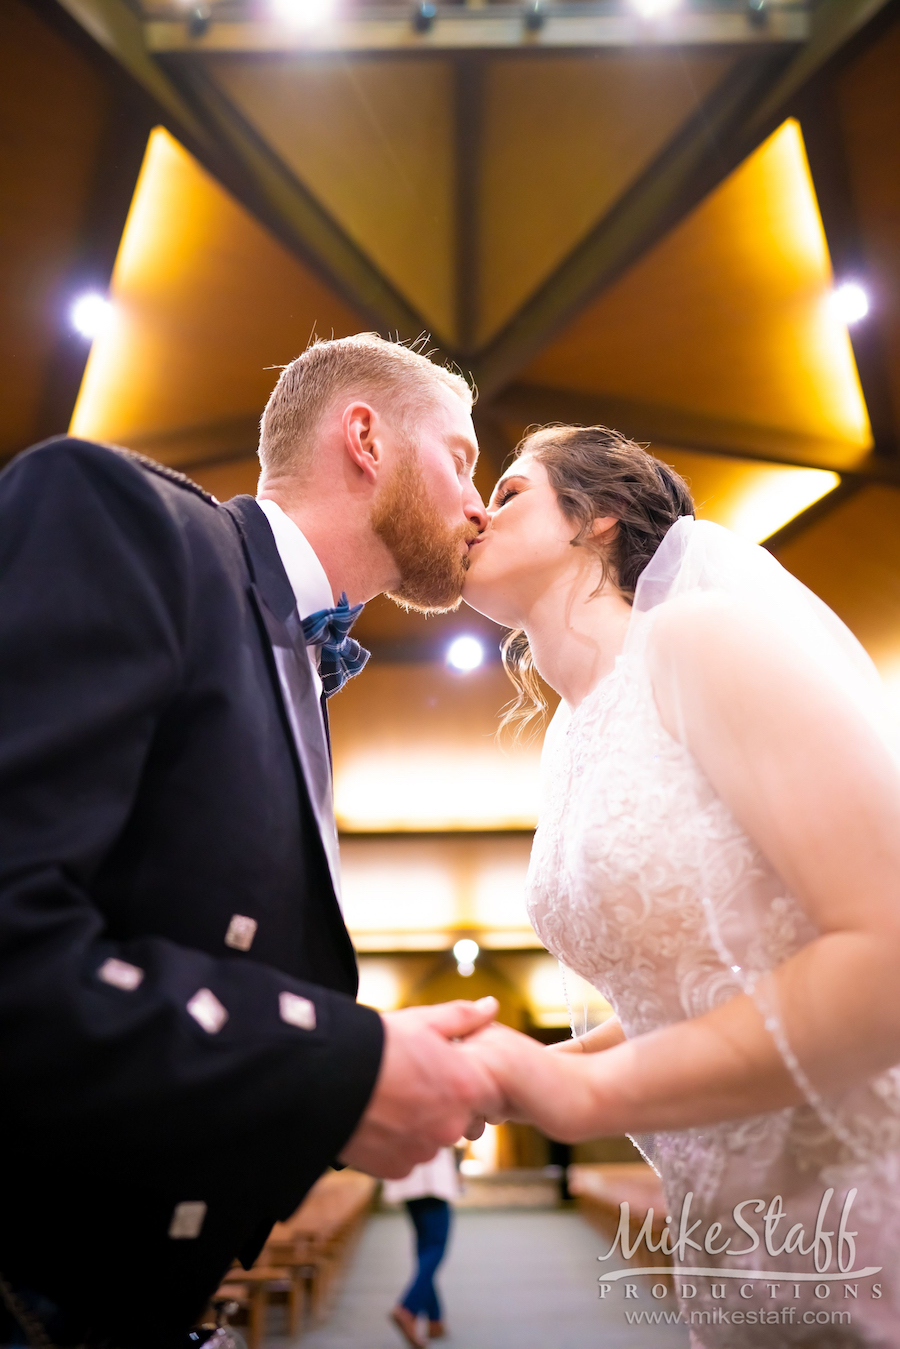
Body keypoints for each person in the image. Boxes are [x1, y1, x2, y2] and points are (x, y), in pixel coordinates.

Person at [0, 334, 502, 1349]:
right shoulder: (126, 518)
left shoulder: (297, 653)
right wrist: (343, 1066)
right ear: (364, 436)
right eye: (462, 457)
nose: (480, 502)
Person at [460, 424, 900, 1347]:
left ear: (599, 519)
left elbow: (887, 950)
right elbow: (694, 984)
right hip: (733, 1228)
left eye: (507, 492)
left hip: (858, 1180)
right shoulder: (569, 738)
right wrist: (521, 1074)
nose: (473, 512)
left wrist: (588, 1098)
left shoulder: (703, 639)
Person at [384, 1148, 458, 1347]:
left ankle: (435, 1320)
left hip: (407, 1171)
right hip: (430, 1175)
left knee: (425, 1247)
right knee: (435, 1246)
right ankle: (408, 1308)